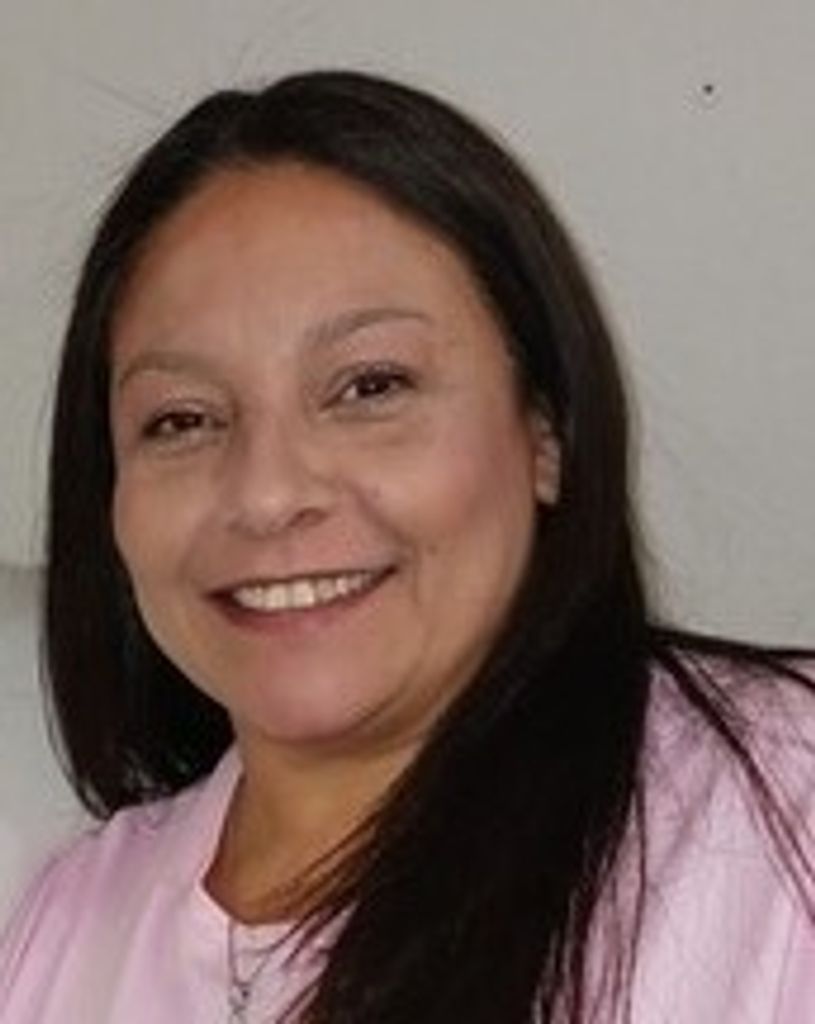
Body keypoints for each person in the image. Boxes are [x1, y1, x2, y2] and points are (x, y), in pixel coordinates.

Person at [0, 69, 813, 1024]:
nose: (266, 495)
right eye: (181, 419)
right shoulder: (61, 926)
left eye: (370, 387)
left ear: (546, 430)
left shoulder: (781, 807)